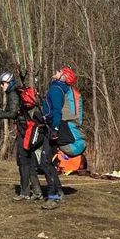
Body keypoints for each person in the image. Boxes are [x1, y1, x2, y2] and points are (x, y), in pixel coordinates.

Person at [0, 72, 43, 201]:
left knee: (23, 161)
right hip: (27, 129)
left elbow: (12, 114)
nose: (1, 86)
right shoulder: (16, 92)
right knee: (29, 161)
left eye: (2, 83)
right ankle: (37, 192)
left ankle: (24, 192)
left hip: (25, 131)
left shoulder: (13, 94)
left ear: (8, 82)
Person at [39, 67, 76, 210]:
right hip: (55, 129)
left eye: (60, 71)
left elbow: (56, 111)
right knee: (48, 162)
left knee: (45, 162)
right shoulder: (59, 89)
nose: (56, 71)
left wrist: (54, 129)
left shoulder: (56, 90)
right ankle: (58, 192)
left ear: (63, 77)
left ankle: (53, 197)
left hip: (54, 129)